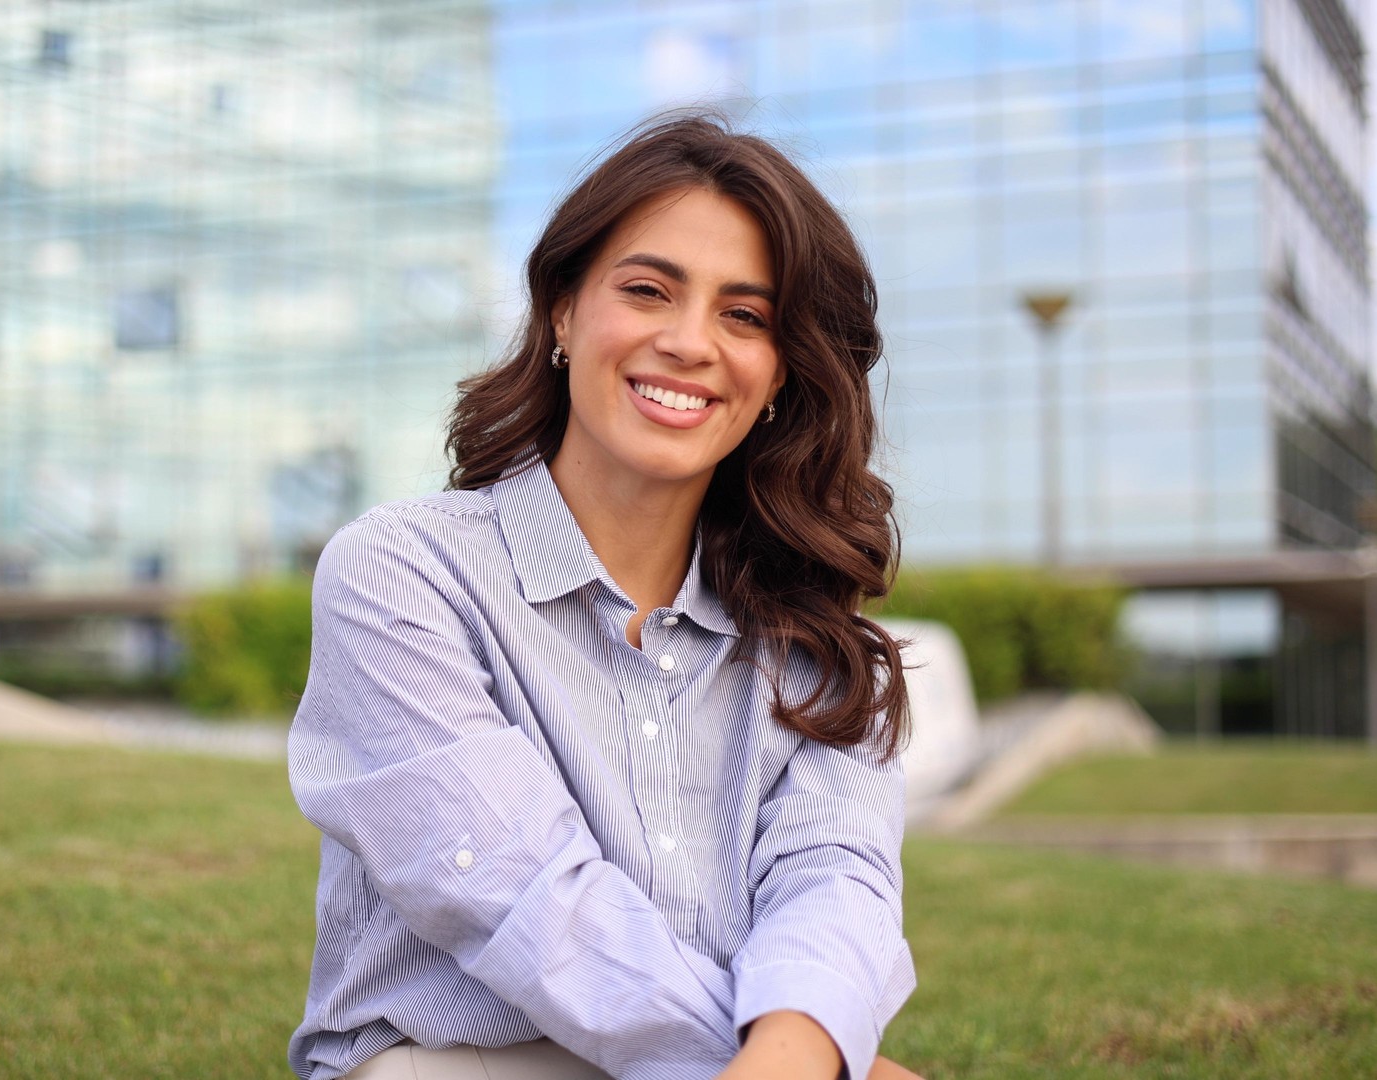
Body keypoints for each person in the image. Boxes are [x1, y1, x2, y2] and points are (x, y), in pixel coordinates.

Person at [288, 113, 922, 1080]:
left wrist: (795, 1053)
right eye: (647, 291)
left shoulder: (816, 632)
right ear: (563, 311)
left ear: (783, 373)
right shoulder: (403, 573)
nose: (688, 342)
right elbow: (523, 898)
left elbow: (836, 880)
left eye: (744, 316)